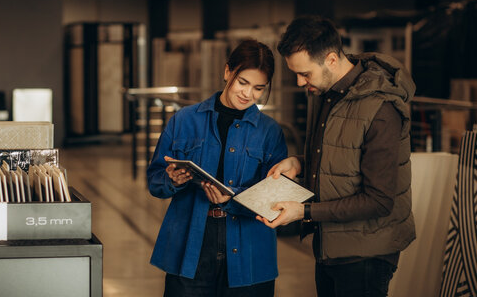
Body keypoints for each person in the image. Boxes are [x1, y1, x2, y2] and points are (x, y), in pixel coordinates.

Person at [257, 15, 416, 297]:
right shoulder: (327, 93)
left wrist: (303, 211)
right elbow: (343, 159)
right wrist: (300, 163)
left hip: (366, 255)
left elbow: (379, 201)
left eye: (305, 73)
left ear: (331, 60)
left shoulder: (381, 109)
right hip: (330, 246)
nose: (298, 82)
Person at [147, 39, 288, 297]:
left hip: (250, 251)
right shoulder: (183, 121)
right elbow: (154, 181)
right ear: (227, 72)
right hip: (191, 246)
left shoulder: (270, 133)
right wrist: (172, 181)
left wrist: (230, 199)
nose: (248, 94)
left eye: (258, 88)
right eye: (242, 82)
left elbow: (275, 199)